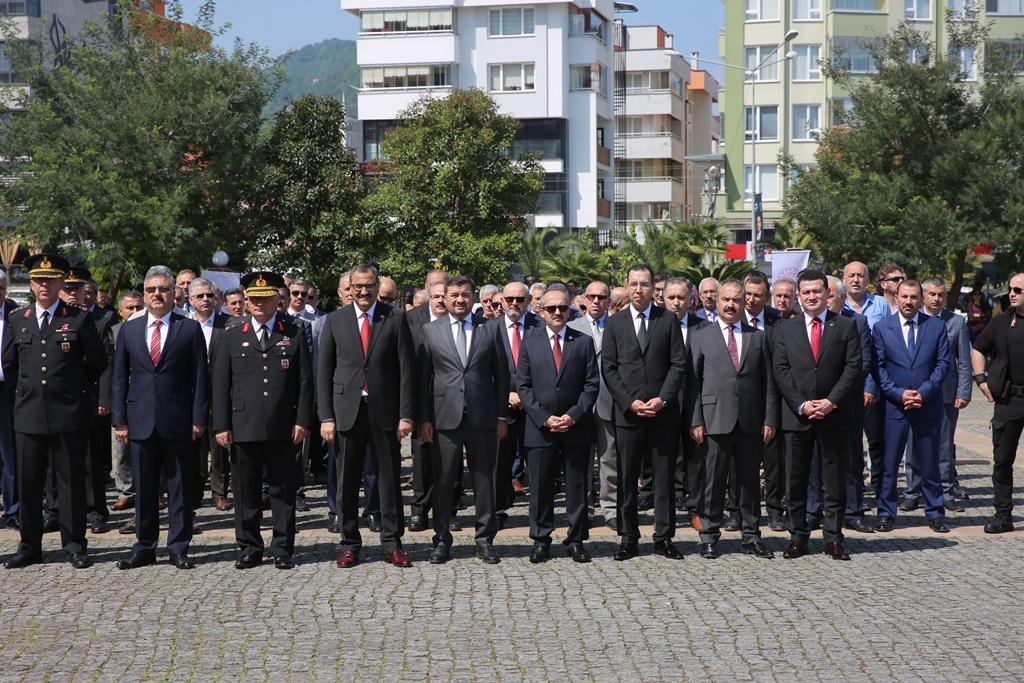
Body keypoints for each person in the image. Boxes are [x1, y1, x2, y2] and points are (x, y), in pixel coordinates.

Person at [2, 254, 107, 570]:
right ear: (32, 284)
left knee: (71, 482)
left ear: (61, 283)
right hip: (29, 413)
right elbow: (10, 364)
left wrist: (75, 391)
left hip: (68, 412)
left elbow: (97, 363)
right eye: (38, 280)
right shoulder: (19, 319)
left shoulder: (77, 318)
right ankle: (29, 546)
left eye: (50, 280)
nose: (44, 285)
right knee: (30, 482)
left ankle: (74, 544)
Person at [213, 272, 313, 570]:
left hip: (284, 425)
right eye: (253, 298)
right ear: (246, 300)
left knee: (283, 491)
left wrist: (302, 420)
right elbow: (220, 384)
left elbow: (305, 382)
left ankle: (282, 547)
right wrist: (221, 425)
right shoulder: (233, 333)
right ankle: (249, 547)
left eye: (265, 298)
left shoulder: (293, 331)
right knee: (246, 492)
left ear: (276, 299)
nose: (258, 303)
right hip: (243, 426)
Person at [112, 265, 209, 571]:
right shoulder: (129, 329)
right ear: (144, 294)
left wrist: (198, 418)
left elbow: (200, 378)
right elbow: (118, 379)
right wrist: (120, 420)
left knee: (179, 486)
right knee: (144, 488)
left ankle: (178, 546)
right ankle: (144, 546)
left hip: (178, 419)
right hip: (140, 420)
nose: (157, 294)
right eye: (152, 290)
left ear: (174, 293)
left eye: (163, 289)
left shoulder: (189, 328)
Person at [318, 264, 414, 569]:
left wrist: (406, 415)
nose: (363, 292)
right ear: (349, 287)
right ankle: (349, 543)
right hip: (346, 412)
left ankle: (391, 542)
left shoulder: (395, 318)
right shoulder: (334, 320)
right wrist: (326, 417)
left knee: (389, 480)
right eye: (357, 286)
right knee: (346, 481)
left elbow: (406, 371)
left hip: (385, 411)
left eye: (369, 286)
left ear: (377, 286)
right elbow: (324, 373)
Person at [418, 276, 509, 564]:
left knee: (485, 481)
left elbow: (502, 375)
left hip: (483, 416)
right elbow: (424, 378)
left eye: (465, 295)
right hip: (443, 417)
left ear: (473, 298)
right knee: (444, 481)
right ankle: (441, 539)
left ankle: (485, 539)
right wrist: (424, 418)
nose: (460, 299)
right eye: (454, 294)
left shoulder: (491, 329)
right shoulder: (430, 330)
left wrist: (500, 416)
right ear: (443, 298)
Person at [772, 269, 862, 561]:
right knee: (795, 480)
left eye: (817, 291)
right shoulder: (785, 328)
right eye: (806, 292)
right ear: (799, 296)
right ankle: (798, 537)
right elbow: (781, 370)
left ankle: (834, 538)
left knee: (834, 479)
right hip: (797, 417)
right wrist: (802, 404)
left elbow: (852, 368)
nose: (812, 296)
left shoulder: (846, 326)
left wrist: (831, 402)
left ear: (827, 293)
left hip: (834, 415)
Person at [602, 263, 687, 561]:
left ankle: (664, 537)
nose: (639, 290)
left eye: (645, 284)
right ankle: (628, 537)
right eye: (634, 284)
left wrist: (662, 399)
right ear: (626, 286)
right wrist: (628, 402)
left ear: (655, 289)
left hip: (662, 413)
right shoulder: (615, 323)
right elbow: (609, 368)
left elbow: (679, 364)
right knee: (626, 478)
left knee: (664, 479)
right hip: (628, 414)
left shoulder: (668, 319)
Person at [687, 279, 777, 559]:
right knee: (713, 481)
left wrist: (770, 418)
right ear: (716, 300)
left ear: (745, 302)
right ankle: (710, 536)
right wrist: (696, 420)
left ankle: (751, 536)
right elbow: (693, 384)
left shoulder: (758, 336)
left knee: (749, 483)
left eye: (737, 300)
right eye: (726, 299)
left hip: (750, 422)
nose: (730, 304)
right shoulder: (701, 335)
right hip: (714, 420)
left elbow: (768, 383)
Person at [517, 288, 599, 564]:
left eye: (562, 308)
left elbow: (591, 385)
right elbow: (523, 385)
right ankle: (541, 539)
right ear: (540, 311)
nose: (556, 312)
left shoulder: (584, 342)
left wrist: (573, 416)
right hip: (541, 427)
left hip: (576, 427)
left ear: (570, 310)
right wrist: (544, 417)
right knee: (540, 486)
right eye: (550, 308)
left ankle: (576, 540)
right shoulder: (529, 342)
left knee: (577, 487)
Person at [873, 279, 952, 533]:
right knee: (889, 463)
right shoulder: (882, 328)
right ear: (895, 298)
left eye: (914, 297)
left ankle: (935, 512)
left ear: (921, 299)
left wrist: (923, 393)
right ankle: (886, 512)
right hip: (894, 406)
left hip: (926, 405)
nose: (909, 301)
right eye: (904, 297)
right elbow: (878, 368)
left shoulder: (937, 327)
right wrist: (899, 394)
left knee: (929, 461)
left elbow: (943, 365)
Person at [902, 278, 972, 513]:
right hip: (916, 393)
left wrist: (964, 391)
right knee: (913, 444)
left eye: (941, 294)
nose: (936, 299)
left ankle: (945, 491)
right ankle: (913, 491)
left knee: (944, 446)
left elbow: (963, 360)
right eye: (932, 294)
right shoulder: (913, 319)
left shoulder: (956, 322)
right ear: (923, 296)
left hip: (946, 394)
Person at [971, 272, 1024, 534]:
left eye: (1018, 290)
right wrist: (981, 379)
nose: (1012, 294)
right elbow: (979, 348)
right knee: (1002, 459)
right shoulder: (1002, 322)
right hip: (1009, 399)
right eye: (1010, 290)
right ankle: (1003, 515)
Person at [567, 280, 617, 529]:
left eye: (602, 297)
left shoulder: (619, 326)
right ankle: (583, 510)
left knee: (610, 460)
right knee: (581, 461)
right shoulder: (571, 327)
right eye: (592, 296)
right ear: (583, 300)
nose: (596, 301)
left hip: (610, 402)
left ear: (609, 301)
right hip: (579, 405)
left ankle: (610, 510)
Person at [405, 269, 452, 533]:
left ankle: (451, 509)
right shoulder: (412, 319)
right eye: (435, 294)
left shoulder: (462, 319)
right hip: (422, 396)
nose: (441, 300)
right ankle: (419, 509)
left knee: (452, 457)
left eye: (444, 294)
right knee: (421, 456)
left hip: (452, 400)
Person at [491, 281, 539, 526]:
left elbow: (547, 369)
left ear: (529, 301)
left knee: (538, 467)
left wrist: (524, 394)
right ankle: (497, 513)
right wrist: (506, 394)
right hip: (501, 410)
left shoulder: (541, 327)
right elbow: (483, 371)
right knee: (499, 466)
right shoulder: (489, 329)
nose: (514, 304)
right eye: (509, 299)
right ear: (501, 301)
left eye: (520, 299)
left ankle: (539, 517)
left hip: (534, 410)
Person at [742, 269, 786, 531]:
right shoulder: (734, 321)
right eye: (747, 294)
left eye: (757, 296)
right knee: (741, 465)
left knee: (773, 463)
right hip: (742, 404)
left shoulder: (778, 322)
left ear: (766, 297)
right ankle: (739, 511)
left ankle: (774, 510)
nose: (750, 300)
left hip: (771, 404)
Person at [664, 276, 710, 523]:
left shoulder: (703, 328)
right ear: (662, 298)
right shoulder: (655, 326)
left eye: (681, 297)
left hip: (695, 403)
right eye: (671, 297)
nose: (676, 302)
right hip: (665, 404)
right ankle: (666, 513)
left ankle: (696, 510)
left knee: (695, 461)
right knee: (665, 462)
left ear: (691, 299)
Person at [189, 278, 231, 512]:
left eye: (210, 295)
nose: (206, 299)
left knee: (220, 448)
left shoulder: (228, 325)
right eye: (201, 296)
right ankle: (194, 493)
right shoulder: (183, 324)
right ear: (191, 299)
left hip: (220, 395)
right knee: (194, 447)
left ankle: (220, 493)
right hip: (192, 396)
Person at [109, 292, 144, 530]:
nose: (134, 311)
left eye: (137, 306)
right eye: (129, 307)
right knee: (123, 451)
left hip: (147, 399)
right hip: (126, 398)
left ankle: (154, 493)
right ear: (120, 311)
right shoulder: (115, 332)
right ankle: (125, 491)